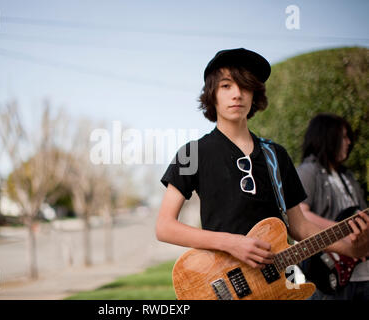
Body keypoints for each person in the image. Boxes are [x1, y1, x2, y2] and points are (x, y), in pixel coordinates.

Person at [155, 48, 369, 287]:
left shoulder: (276, 154)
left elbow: (300, 227)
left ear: (254, 95)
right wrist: (231, 243)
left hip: (282, 280)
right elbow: (164, 227)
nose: (237, 94)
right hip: (223, 282)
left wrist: (351, 247)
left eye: (245, 86)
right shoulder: (191, 152)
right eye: (226, 86)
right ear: (212, 94)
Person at [297, 113, 368, 300]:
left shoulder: (348, 177)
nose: (348, 142)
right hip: (328, 274)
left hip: (362, 272)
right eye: (343, 137)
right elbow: (302, 215)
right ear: (327, 136)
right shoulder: (307, 172)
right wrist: (345, 236)